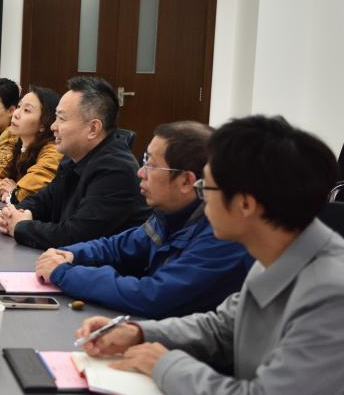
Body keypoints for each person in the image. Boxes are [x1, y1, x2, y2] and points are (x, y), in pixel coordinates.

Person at [75, 116, 344, 395]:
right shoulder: (276, 253)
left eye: (207, 187)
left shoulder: (332, 292)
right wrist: (139, 332)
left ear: (245, 204)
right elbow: (222, 327)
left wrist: (165, 365)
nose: (201, 197)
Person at [35, 121, 251, 318]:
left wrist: (64, 272)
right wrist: (70, 255)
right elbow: (119, 247)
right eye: (144, 160)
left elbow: (154, 296)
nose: (140, 172)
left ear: (186, 181)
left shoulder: (222, 234)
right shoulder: (169, 214)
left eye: (151, 165)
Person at [0, 76, 149, 249]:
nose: (53, 126)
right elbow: (45, 200)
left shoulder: (116, 171)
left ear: (93, 128)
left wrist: (20, 226)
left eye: (61, 119)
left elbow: (75, 236)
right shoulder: (73, 156)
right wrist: (14, 214)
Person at [0, 86, 61, 203]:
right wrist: (4, 189)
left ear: (43, 123)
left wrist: (13, 192)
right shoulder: (21, 145)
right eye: (19, 106)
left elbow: (23, 194)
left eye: (26, 110)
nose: (15, 114)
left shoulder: (53, 152)